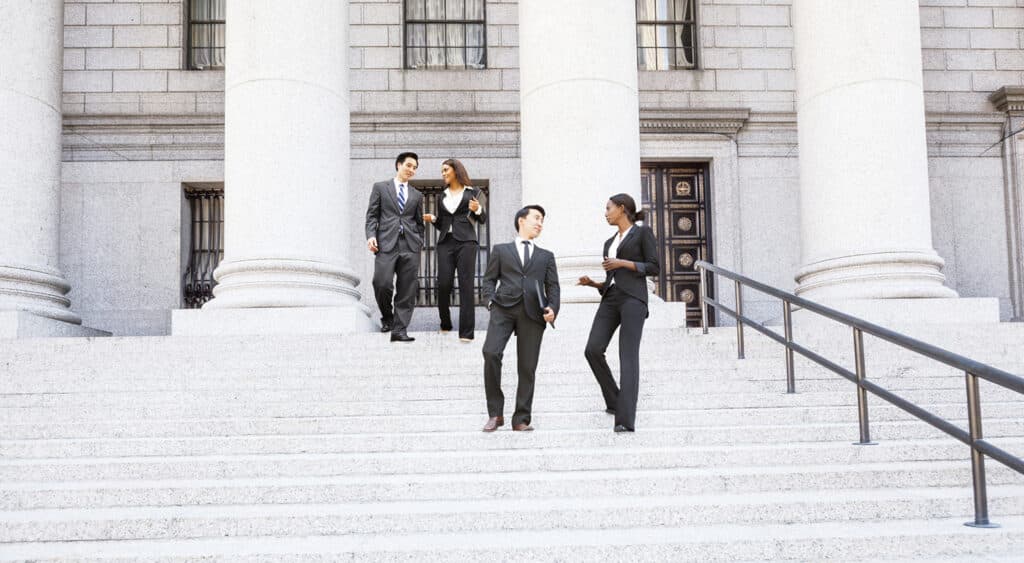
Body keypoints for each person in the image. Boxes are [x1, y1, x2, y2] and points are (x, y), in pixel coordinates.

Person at [578, 193, 660, 432]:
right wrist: (593, 284)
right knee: (592, 349)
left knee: (628, 356)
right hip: (611, 298)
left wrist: (622, 263)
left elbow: (655, 266)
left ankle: (624, 419)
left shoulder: (642, 233)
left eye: (608, 208)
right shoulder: (609, 242)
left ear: (622, 209)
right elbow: (611, 279)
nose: (605, 213)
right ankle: (614, 400)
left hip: (634, 299)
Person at [480, 205, 559, 432]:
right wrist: (490, 301)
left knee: (527, 367)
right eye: (536, 218)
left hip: (533, 314)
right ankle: (495, 414)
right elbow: (488, 280)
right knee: (491, 352)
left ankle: (521, 419)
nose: (540, 223)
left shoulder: (546, 256)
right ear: (521, 220)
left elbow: (553, 287)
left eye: (542, 220)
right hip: (503, 309)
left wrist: (553, 308)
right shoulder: (501, 250)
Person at [423, 159, 487, 342]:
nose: (443, 173)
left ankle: (466, 333)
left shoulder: (473, 192)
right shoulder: (440, 196)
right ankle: (445, 322)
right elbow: (443, 224)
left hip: (467, 242)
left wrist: (478, 209)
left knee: (466, 285)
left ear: (456, 171)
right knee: (443, 284)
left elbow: (482, 219)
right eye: (442, 171)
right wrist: (434, 219)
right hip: (446, 243)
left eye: (445, 170)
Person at [365, 152, 425, 342]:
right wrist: (371, 236)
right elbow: (372, 216)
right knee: (381, 283)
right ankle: (388, 317)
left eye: (415, 168)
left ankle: (399, 329)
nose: (411, 170)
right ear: (398, 165)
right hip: (386, 243)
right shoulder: (381, 188)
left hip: (410, 245)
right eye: (409, 165)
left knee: (407, 289)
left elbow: (418, 222)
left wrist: (419, 241)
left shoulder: (417, 194)